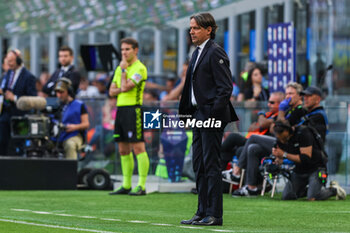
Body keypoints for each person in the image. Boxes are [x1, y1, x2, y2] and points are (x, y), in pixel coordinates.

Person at [179, 12, 238, 226]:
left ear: (208, 30)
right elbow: (190, 89)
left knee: (211, 165)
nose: (191, 31)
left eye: (195, 28)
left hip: (210, 116)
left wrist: (213, 116)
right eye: (191, 28)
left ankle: (215, 214)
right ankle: (202, 211)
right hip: (197, 115)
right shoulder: (197, 53)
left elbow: (225, 88)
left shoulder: (215, 52)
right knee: (199, 165)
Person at [232, 82, 306, 196]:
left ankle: (237, 170)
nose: (287, 97)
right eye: (286, 94)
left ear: (299, 95)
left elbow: (278, 129)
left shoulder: (299, 110)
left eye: (291, 93)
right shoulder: (289, 110)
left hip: (288, 146)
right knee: (253, 148)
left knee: (252, 138)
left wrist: (280, 113)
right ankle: (251, 187)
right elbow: (272, 128)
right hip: (279, 143)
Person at [108, 37, 149, 196]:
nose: (124, 52)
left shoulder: (140, 68)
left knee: (138, 147)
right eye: (122, 49)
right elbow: (111, 91)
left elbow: (124, 87)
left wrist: (124, 72)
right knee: (123, 149)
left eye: (127, 49)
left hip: (134, 110)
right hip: (120, 110)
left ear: (135, 50)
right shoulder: (120, 68)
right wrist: (122, 79)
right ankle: (126, 184)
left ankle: (141, 185)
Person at [272, 120, 346, 201]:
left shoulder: (303, 133)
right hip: (299, 170)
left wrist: (284, 155)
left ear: (286, 131)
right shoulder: (280, 139)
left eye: (282, 137)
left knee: (312, 197)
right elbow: (279, 154)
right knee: (287, 196)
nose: (281, 140)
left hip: (315, 167)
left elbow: (305, 158)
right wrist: (278, 159)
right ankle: (309, 190)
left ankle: (333, 190)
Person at [221, 92, 284, 172]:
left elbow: (262, 123)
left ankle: (231, 171)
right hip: (251, 139)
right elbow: (252, 127)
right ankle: (220, 174)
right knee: (235, 150)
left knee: (233, 137)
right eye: (268, 102)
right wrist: (262, 123)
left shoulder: (279, 115)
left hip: (260, 142)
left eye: (272, 103)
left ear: (280, 104)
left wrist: (261, 115)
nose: (268, 105)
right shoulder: (269, 114)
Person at [0, 49, 37, 155]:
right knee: (2, 142)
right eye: (8, 61)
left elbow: (32, 97)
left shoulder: (29, 77)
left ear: (19, 60)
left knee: (17, 144)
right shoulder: (8, 74)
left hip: (20, 115)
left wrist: (15, 98)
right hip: (5, 113)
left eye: (11, 61)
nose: (9, 64)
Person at [55, 78, 89, 160]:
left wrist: (74, 127)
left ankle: (71, 170)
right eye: (57, 92)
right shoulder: (56, 105)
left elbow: (86, 124)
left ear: (69, 91)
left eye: (61, 92)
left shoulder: (79, 105)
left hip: (74, 135)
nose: (59, 95)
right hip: (57, 136)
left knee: (70, 145)